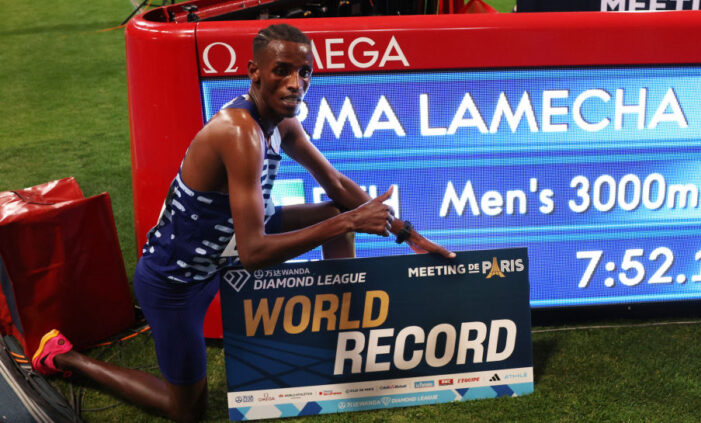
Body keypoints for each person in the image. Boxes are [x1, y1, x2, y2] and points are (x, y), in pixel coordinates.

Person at [30, 24, 455, 422]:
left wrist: (407, 234)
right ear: (254, 72)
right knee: (187, 411)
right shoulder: (238, 132)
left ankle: (343, 339)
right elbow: (254, 254)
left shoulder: (283, 122)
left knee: (334, 213)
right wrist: (350, 220)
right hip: (178, 281)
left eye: (305, 73)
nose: (295, 83)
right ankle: (67, 357)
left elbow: (336, 182)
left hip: (226, 254)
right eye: (282, 71)